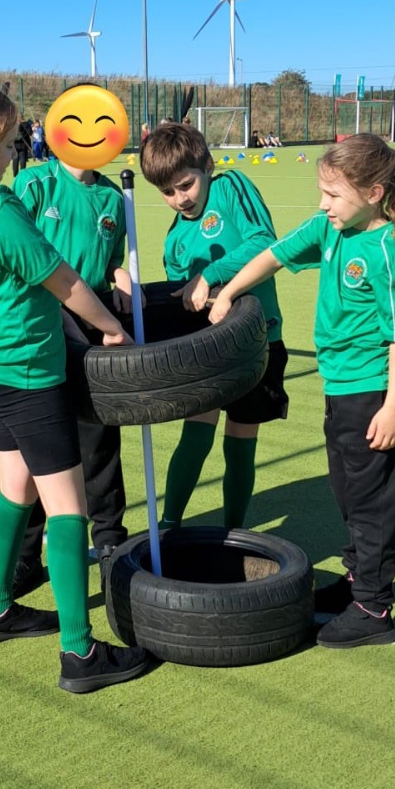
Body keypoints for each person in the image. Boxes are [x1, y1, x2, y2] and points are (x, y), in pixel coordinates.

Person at [0, 81, 150, 695]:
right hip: (26, 375)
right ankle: (80, 653)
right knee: (68, 508)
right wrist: (112, 329)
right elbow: (66, 283)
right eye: (10, 140)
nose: (18, 148)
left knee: (15, 487)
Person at [208, 133, 395, 648]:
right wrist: (228, 291)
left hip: (375, 395)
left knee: (371, 503)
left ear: (374, 194)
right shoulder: (329, 229)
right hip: (339, 389)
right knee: (347, 491)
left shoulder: (388, 254)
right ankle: (356, 580)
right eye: (322, 192)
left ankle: (373, 607)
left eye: (334, 194)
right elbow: (273, 255)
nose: (323, 204)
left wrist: (393, 407)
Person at [138, 120, 288, 531]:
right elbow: (182, 302)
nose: (179, 199)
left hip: (257, 343)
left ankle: (234, 533)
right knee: (195, 437)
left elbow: (265, 242)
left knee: (240, 445)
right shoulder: (175, 240)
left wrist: (211, 275)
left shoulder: (231, 187)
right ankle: (169, 525)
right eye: (167, 192)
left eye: (185, 185)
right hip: (207, 353)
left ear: (206, 167)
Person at [11, 147, 134, 592]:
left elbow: (111, 259)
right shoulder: (34, 184)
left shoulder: (114, 197)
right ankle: (26, 556)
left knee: (99, 438)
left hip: (92, 321)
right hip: (40, 324)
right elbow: (19, 258)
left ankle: (110, 544)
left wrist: (122, 278)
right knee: (38, 446)